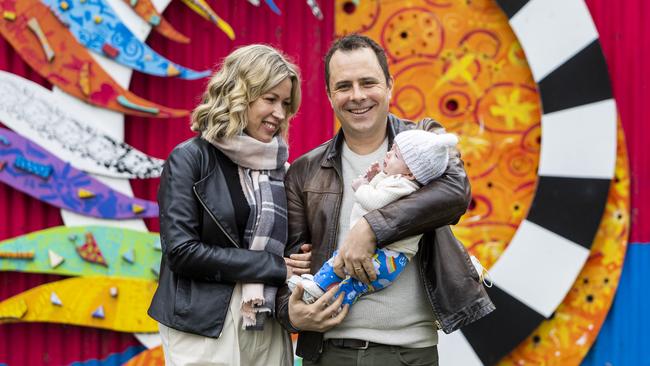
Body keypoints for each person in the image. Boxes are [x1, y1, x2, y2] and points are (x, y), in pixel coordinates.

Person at [275, 34, 495, 366]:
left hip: (410, 352)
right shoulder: (304, 172)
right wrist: (291, 313)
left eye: (368, 82)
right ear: (329, 95)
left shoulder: (423, 143)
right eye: (344, 86)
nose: (358, 96)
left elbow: (456, 192)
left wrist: (370, 227)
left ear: (390, 85)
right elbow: (289, 267)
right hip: (329, 354)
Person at [148, 44, 312, 366]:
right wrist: (274, 266)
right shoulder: (191, 159)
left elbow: (292, 249)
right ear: (240, 93)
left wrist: (303, 256)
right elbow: (181, 252)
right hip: (203, 324)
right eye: (270, 99)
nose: (280, 113)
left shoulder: (283, 169)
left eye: (286, 103)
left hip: (265, 320)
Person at [287, 130, 460, 307]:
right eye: (391, 149)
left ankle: (318, 286)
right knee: (353, 287)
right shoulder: (400, 182)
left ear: (410, 173)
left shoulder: (402, 185)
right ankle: (336, 303)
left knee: (340, 259)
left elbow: (374, 201)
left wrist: (362, 187)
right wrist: (376, 178)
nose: (388, 154)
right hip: (390, 263)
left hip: (384, 257)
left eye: (395, 155)